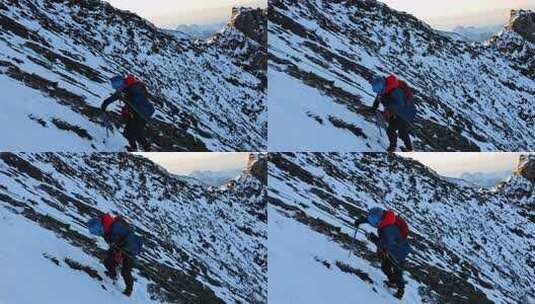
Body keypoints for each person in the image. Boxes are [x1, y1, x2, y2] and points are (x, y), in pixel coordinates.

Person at [354, 207, 410, 299]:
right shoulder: (384, 219)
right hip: (391, 249)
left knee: (397, 270)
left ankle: (400, 292)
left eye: (373, 219)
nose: (372, 221)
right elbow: (372, 220)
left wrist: (373, 238)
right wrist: (362, 220)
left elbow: (386, 244)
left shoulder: (388, 229)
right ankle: (392, 282)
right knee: (385, 267)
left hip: (398, 251)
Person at [87, 214, 143, 297]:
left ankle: (129, 290)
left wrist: (120, 252)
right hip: (118, 247)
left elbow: (127, 239)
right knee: (108, 261)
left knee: (125, 271)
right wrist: (116, 251)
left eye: (96, 231)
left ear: (100, 227)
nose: (97, 234)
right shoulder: (106, 229)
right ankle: (113, 275)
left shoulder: (115, 228)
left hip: (130, 250)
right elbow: (113, 243)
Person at [101, 74, 155, 152]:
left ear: (123, 82)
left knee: (131, 132)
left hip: (141, 114)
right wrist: (104, 105)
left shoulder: (134, 88)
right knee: (134, 133)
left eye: (118, 84)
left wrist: (128, 96)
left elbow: (138, 98)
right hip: (135, 114)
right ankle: (143, 148)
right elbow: (114, 97)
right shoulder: (124, 90)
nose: (117, 87)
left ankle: (137, 149)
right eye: (114, 86)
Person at [371, 74, 416, 152]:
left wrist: (388, 105)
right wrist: (374, 106)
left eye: (378, 87)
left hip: (405, 113)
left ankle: (392, 147)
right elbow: (379, 97)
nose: (377, 90)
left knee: (391, 130)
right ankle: (409, 149)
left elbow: (400, 104)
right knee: (403, 132)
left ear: (383, 84)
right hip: (401, 112)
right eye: (375, 88)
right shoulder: (384, 89)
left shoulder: (395, 90)